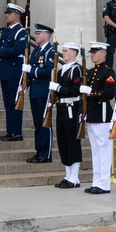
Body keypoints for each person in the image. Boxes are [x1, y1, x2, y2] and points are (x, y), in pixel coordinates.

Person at [81, 41, 116, 195]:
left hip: (102, 115)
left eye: (95, 52)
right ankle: (96, 182)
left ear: (103, 53)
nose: (92, 55)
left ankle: (104, 184)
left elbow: (109, 93)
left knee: (104, 149)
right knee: (95, 150)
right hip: (92, 114)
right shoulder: (90, 72)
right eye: (92, 52)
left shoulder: (108, 72)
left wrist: (91, 92)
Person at [50, 42, 83, 188]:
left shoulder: (76, 70)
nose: (63, 53)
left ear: (74, 53)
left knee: (72, 141)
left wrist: (58, 87)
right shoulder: (61, 70)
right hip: (61, 107)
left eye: (66, 51)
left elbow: (75, 90)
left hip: (72, 108)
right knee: (63, 142)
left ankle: (74, 177)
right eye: (63, 50)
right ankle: (68, 175)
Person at [0, 3, 28, 142]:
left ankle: (16, 132)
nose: (6, 15)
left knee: (14, 102)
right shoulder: (6, 31)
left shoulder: (21, 32)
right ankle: (10, 130)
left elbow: (17, 50)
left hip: (14, 72)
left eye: (10, 13)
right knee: (7, 103)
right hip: (5, 71)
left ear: (17, 16)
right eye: (6, 13)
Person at [25, 24, 55, 163]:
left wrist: (31, 71)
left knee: (44, 123)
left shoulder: (50, 52)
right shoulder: (36, 51)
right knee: (37, 123)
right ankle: (39, 151)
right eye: (35, 34)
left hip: (43, 92)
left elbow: (48, 72)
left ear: (46, 36)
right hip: (35, 91)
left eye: (38, 34)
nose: (36, 36)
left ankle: (46, 154)